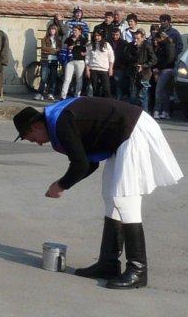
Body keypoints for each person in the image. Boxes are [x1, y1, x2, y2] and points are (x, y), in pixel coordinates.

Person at [14, 99, 182, 289]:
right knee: (111, 196)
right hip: (123, 135)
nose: (38, 144)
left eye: (33, 138)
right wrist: (63, 184)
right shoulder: (60, 120)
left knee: (125, 199)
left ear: (35, 126)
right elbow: (89, 162)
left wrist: (60, 185)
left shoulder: (61, 122)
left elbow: (81, 165)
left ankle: (138, 270)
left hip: (133, 130)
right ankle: (108, 264)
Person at [151, 21, 178, 120]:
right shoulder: (165, 45)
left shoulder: (167, 46)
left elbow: (169, 60)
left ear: (161, 38)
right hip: (166, 70)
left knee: (159, 91)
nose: (156, 41)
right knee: (165, 93)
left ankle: (157, 111)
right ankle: (165, 112)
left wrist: (159, 67)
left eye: (157, 39)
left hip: (166, 70)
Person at [60, 25, 88, 100]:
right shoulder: (68, 39)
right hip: (70, 61)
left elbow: (88, 50)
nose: (74, 32)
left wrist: (84, 53)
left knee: (79, 79)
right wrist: (68, 48)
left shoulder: (83, 40)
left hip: (80, 61)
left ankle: (77, 96)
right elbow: (64, 48)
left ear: (80, 32)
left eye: (75, 30)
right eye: (73, 30)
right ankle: (63, 96)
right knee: (67, 79)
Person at [85, 29, 115, 99]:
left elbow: (111, 57)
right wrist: (87, 70)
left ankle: (109, 104)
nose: (97, 37)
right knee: (95, 90)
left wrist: (111, 69)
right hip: (93, 69)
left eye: (98, 36)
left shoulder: (106, 45)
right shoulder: (91, 45)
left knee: (106, 89)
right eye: (95, 36)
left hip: (104, 69)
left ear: (102, 36)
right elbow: (87, 58)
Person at [36, 24, 62, 101]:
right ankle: (40, 93)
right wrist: (54, 50)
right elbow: (43, 48)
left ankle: (51, 93)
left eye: (53, 29)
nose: (52, 31)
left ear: (56, 30)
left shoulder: (58, 40)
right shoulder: (44, 39)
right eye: (50, 29)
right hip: (45, 60)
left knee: (53, 78)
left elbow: (59, 49)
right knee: (44, 78)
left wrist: (50, 50)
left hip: (54, 60)